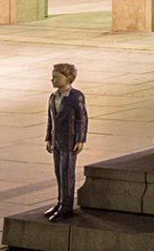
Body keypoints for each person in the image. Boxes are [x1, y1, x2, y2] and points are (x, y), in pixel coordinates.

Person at [44, 63, 87, 221]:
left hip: (69, 142)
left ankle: (66, 206)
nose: (52, 79)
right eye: (53, 76)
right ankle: (60, 202)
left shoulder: (76, 97)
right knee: (59, 172)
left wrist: (80, 139)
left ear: (68, 78)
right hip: (57, 141)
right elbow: (50, 119)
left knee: (67, 174)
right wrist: (48, 137)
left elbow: (82, 118)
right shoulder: (53, 97)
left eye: (56, 77)